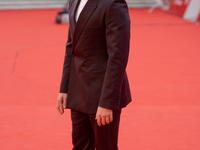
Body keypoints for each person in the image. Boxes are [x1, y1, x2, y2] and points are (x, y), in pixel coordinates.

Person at [56, 0, 132, 149]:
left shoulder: (113, 4)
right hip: (78, 90)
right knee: (80, 146)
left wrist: (107, 102)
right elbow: (71, 46)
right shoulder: (74, 1)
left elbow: (118, 56)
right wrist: (64, 89)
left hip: (101, 94)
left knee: (106, 147)